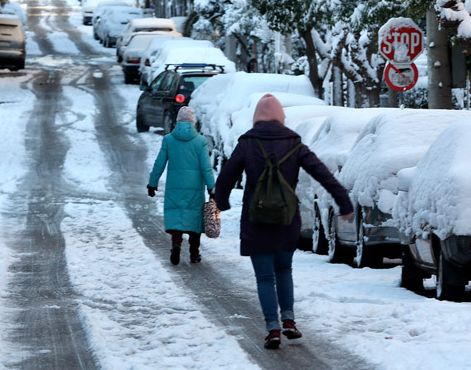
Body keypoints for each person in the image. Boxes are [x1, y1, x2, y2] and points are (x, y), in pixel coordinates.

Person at [214, 94, 353, 350]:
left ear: (257, 116)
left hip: (256, 219)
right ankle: (289, 320)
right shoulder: (294, 143)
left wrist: (221, 203)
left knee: (265, 277)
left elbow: (225, 177)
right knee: (284, 270)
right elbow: (323, 173)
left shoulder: (247, 143)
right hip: (287, 219)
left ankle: (272, 328)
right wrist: (343, 202)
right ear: (281, 116)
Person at [148, 106, 215, 265]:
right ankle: (194, 253)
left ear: (177, 121)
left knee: (177, 217)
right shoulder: (200, 141)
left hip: (175, 187)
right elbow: (206, 167)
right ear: (193, 122)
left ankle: (176, 244)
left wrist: (152, 183)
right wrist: (212, 188)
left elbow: (159, 164)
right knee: (195, 220)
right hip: (195, 187)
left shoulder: (169, 140)